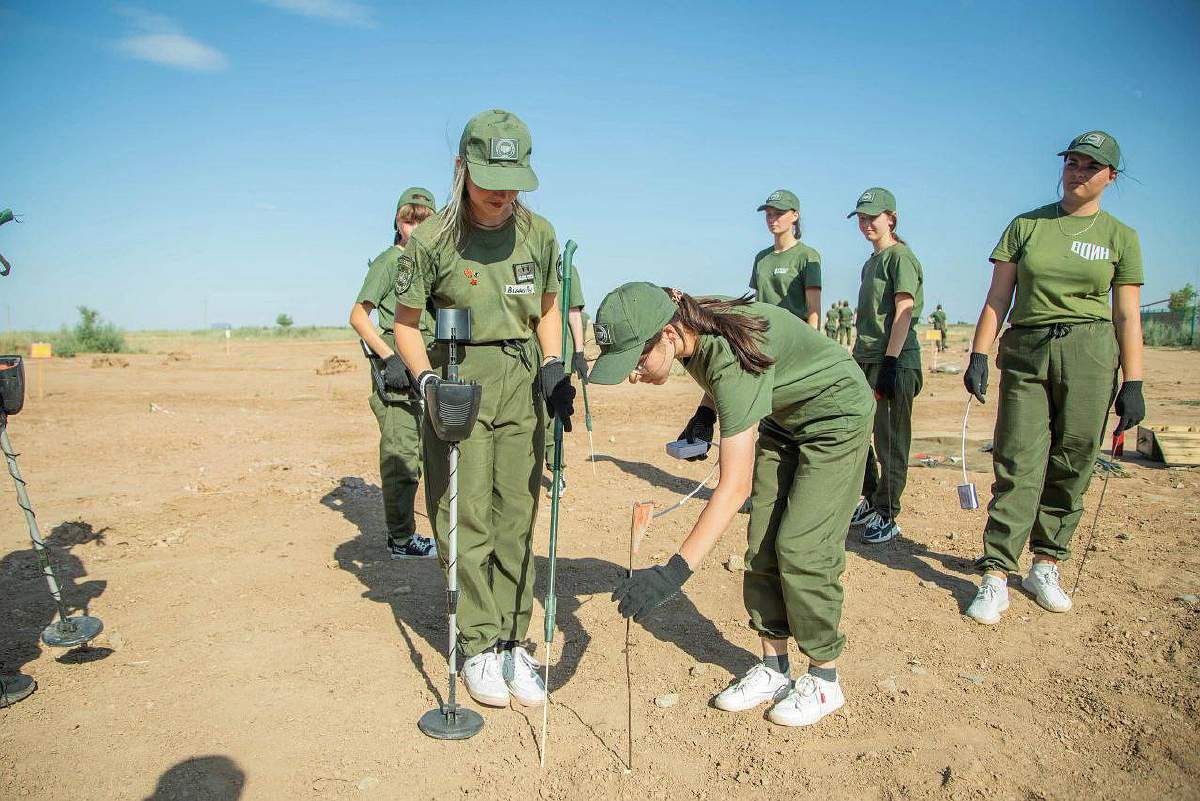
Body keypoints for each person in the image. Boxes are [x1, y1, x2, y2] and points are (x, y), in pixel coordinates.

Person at [589, 283, 874, 728]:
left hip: (835, 417)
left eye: (636, 360)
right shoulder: (693, 328)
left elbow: (734, 486)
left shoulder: (720, 350)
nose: (633, 375)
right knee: (761, 542)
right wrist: (705, 416)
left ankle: (823, 678)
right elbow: (727, 372)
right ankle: (774, 667)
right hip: (783, 418)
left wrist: (673, 572)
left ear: (666, 334)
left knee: (802, 547)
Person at [392, 109, 575, 708]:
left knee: (516, 515)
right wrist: (425, 384)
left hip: (521, 381)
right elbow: (406, 326)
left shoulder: (540, 233)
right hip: (457, 381)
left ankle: (510, 639)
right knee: (466, 513)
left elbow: (548, 308)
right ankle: (475, 644)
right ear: (461, 170)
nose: (502, 194)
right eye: (490, 179)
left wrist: (553, 367)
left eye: (513, 180)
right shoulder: (432, 241)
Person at [962, 130, 1144, 624]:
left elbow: (1127, 315)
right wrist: (979, 353)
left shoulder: (1120, 236)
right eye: (1072, 161)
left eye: (1090, 165)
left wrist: (1134, 382)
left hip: (1090, 350)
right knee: (1017, 458)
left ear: (1110, 176)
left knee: (1075, 457)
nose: (1077, 171)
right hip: (1028, 347)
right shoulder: (1027, 225)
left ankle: (1046, 563)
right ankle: (997, 572)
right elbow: (998, 296)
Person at [348, 187, 438, 559]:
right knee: (402, 455)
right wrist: (390, 359)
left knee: (425, 453)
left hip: (426, 370)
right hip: (399, 377)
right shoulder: (390, 262)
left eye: (424, 221)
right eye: (408, 220)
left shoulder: (430, 264)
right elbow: (357, 317)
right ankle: (401, 539)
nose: (415, 228)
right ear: (396, 223)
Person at [846, 188, 924, 545]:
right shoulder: (869, 263)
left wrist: (891, 362)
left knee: (890, 438)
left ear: (891, 217)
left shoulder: (899, 258)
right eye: (861, 218)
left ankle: (888, 512)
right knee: (857, 432)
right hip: (865, 358)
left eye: (872, 218)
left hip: (893, 360)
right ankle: (873, 496)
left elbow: (903, 311)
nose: (866, 225)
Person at [544, 262, 588, 497]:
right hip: (531, 353)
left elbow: (573, 311)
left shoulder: (565, 268)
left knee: (553, 419)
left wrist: (579, 352)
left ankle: (557, 472)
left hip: (561, 356)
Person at [748, 190, 821, 328]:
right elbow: (757, 303)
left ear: (795, 215)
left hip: (794, 338)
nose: (772, 219)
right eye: (769, 214)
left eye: (779, 214)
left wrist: (811, 346)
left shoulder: (807, 256)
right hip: (765, 336)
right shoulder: (761, 258)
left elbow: (814, 311)